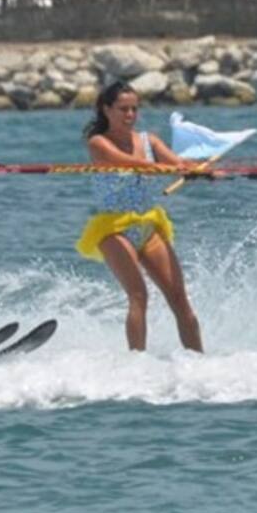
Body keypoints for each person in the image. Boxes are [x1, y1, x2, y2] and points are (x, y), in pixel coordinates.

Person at [76, 81, 204, 353]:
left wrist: (193, 169)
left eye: (134, 109)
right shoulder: (98, 142)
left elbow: (176, 163)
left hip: (147, 224)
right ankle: (136, 363)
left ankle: (199, 360)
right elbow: (131, 163)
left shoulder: (149, 141)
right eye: (123, 109)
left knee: (179, 298)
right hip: (113, 229)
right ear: (106, 109)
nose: (130, 115)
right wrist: (160, 167)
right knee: (138, 296)